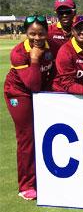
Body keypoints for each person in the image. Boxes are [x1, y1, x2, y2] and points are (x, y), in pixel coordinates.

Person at [3, 15, 54, 200]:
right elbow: (33, 84)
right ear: (26, 34)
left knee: (43, 132)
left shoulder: (50, 47)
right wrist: (34, 59)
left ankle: (43, 176)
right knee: (27, 137)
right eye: (32, 34)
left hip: (38, 93)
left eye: (41, 34)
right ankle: (26, 185)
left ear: (47, 33)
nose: (37, 38)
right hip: (18, 93)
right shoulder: (19, 53)